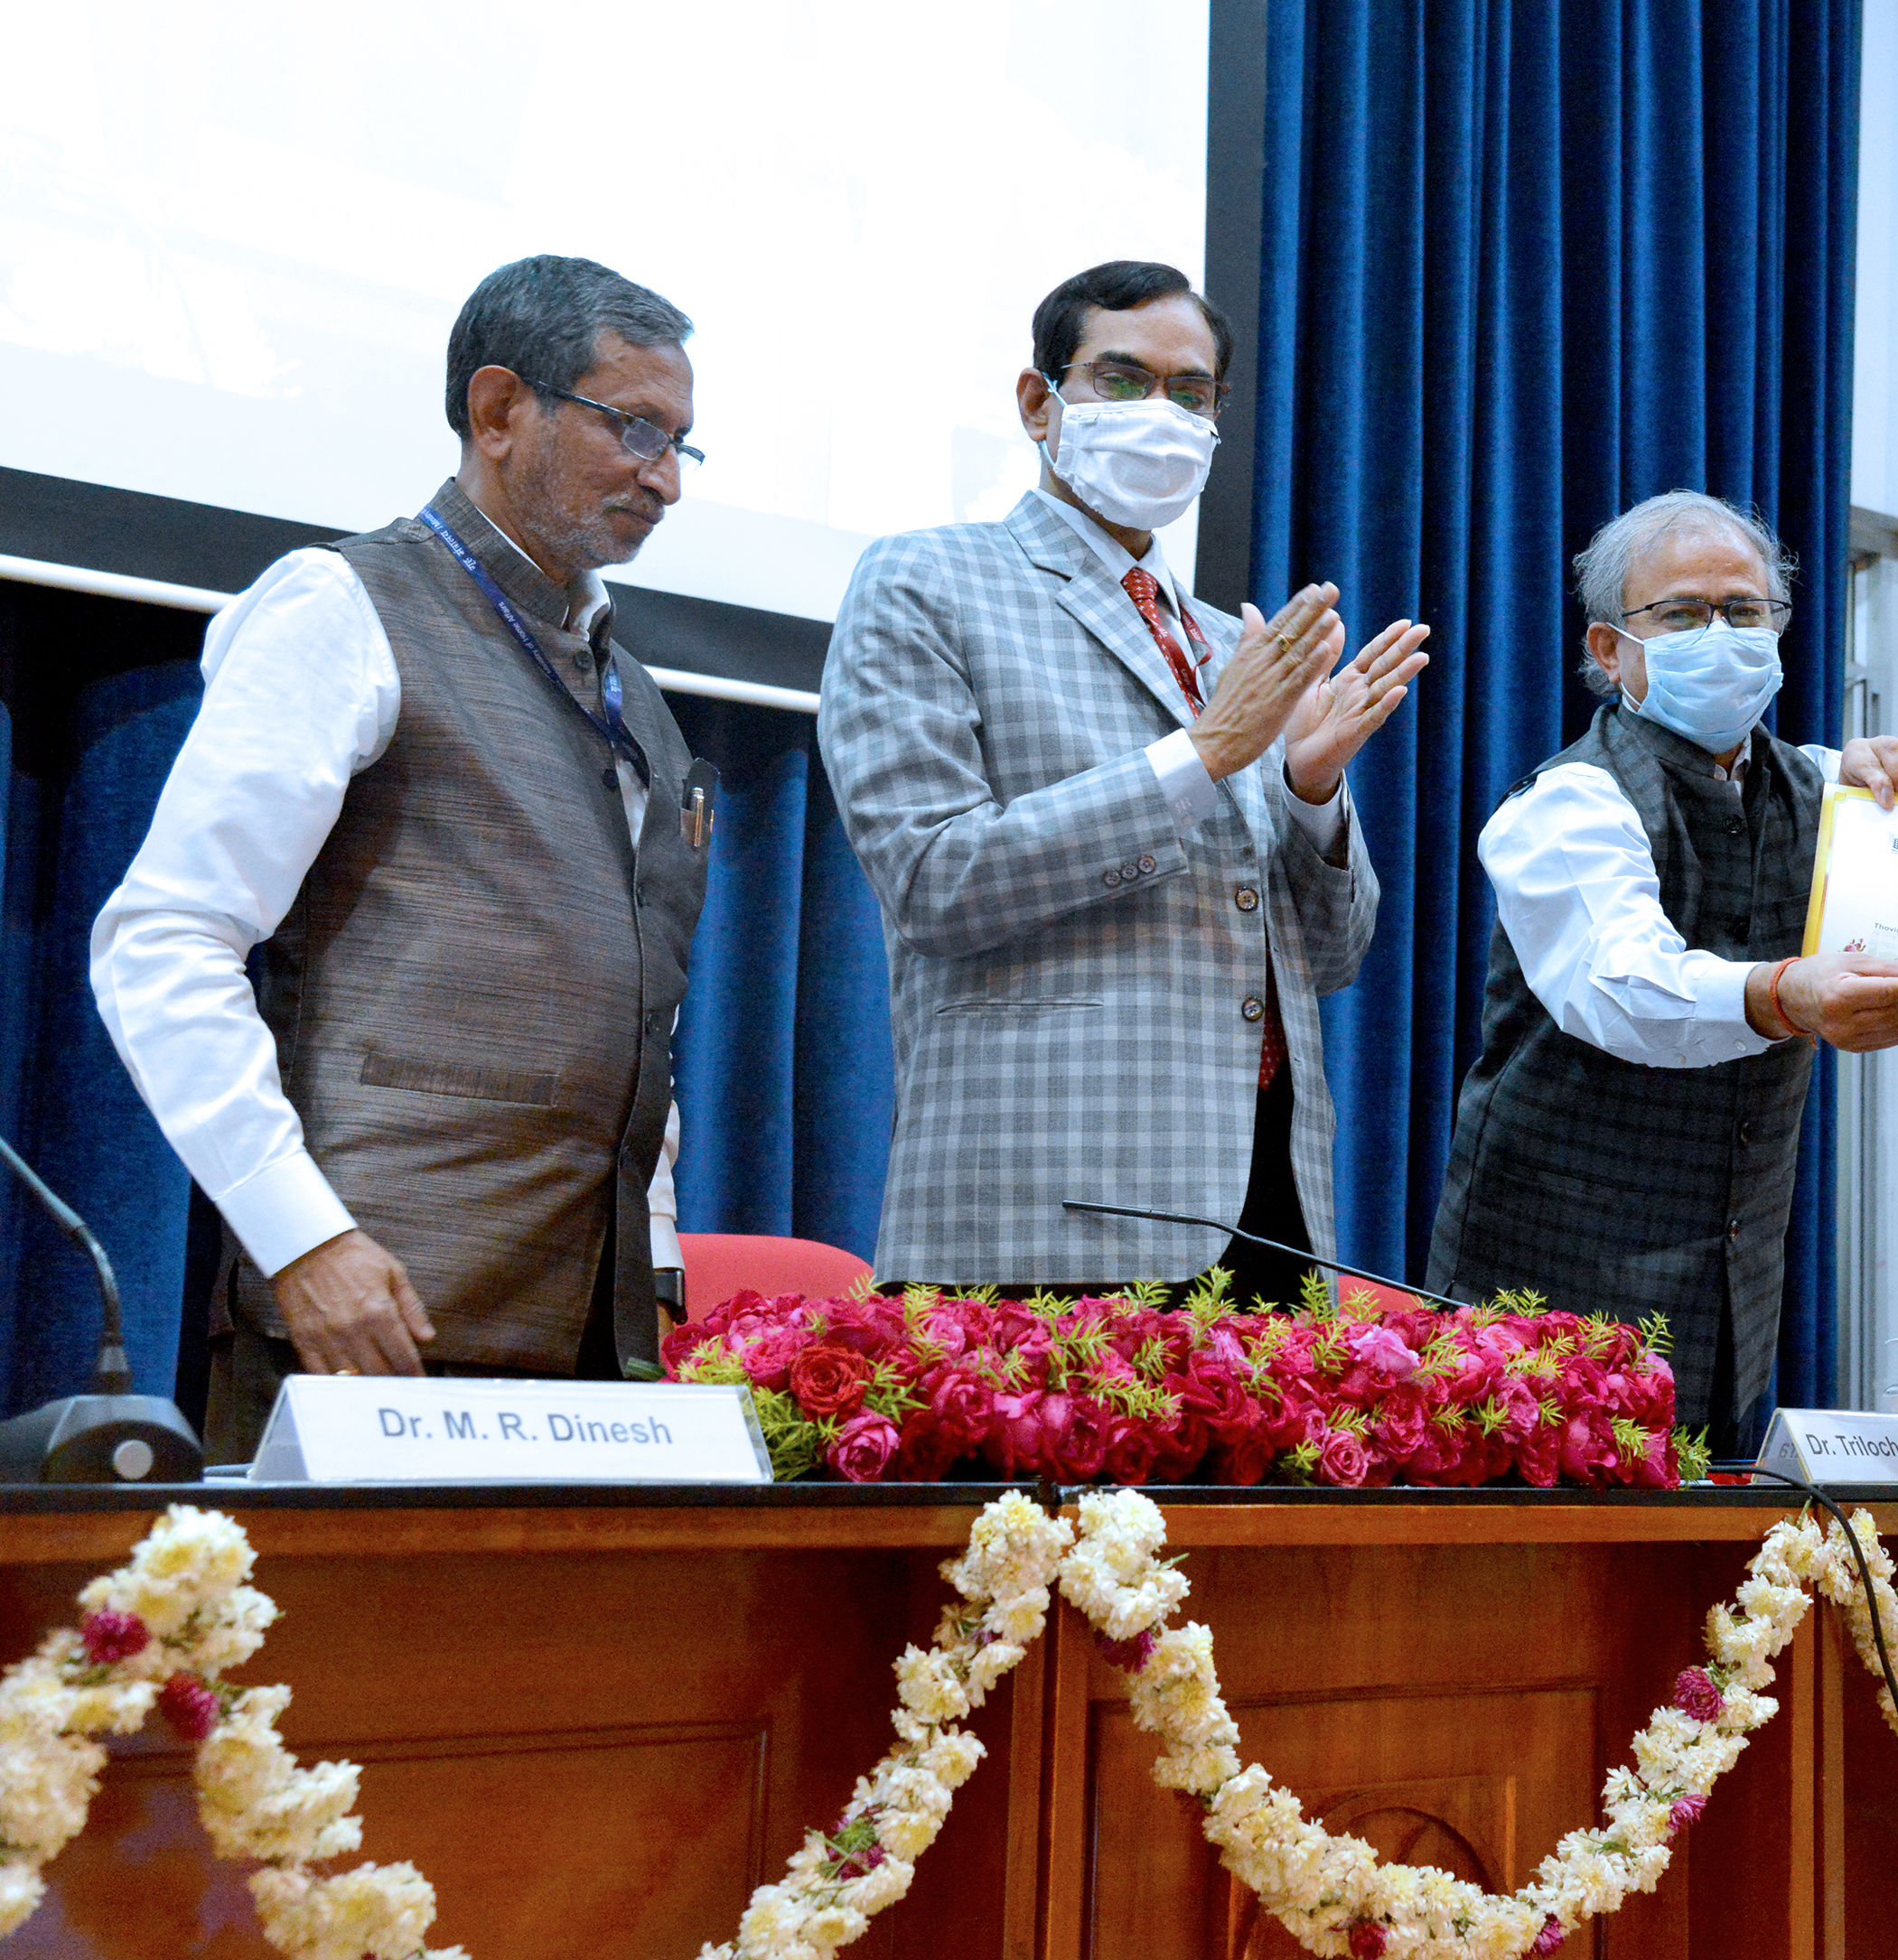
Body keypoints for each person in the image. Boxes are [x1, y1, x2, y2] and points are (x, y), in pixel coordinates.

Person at [89, 255, 710, 1456]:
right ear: (497, 410)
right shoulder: (342, 606)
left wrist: (661, 1262)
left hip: (600, 1352)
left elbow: (641, 1019)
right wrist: (302, 1239)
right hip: (362, 1326)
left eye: (684, 442)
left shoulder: (639, 693)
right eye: (636, 429)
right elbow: (162, 942)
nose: (667, 479)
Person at [819, 261, 1426, 1300]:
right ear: (1038, 402)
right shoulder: (927, 576)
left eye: (1191, 393)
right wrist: (1205, 755)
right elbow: (933, 878)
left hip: (1264, 1210)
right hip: (1045, 1215)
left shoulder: (1217, 637)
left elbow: (1327, 959)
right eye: (1122, 378)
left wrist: (1310, 791)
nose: (1162, 413)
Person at [1425, 492, 1898, 1453]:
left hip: (1732, 1291)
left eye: (1745, 612)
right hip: (1544, 1290)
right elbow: (1622, 987)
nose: (1723, 634)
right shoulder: (1568, 802)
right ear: (1610, 651)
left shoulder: (1828, 792)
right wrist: (1786, 993)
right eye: (1684, 614)